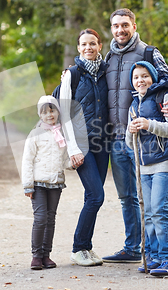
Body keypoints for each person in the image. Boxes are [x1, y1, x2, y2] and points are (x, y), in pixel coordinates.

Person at [102, 8, 168, 263]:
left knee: (149, 201)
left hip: (146, 140)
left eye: (125, 25)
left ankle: (157, 253)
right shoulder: (108, 58)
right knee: (127, 197)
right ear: (111, 28)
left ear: (134, 26)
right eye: (115, 26)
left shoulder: (149, 53)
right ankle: (133, 248)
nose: (120, 30)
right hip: (118, 137)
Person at [125, 61, 168, 275]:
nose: (140, 80)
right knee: (148, 213)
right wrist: (131, 130)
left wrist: (149, 124)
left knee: (159, 210)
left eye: (144, 76)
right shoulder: (133, 105)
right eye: (136, 77)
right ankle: (154, 257)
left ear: (153, 77)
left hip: (165, 162)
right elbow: (130, 144)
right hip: (145, 166)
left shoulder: (165, 97)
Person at [59, 28, 109, 266]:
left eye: (92, 44)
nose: (88, 48)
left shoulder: (106, 71)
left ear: (100, 45)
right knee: (96, 195)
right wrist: (72, 149)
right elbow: (64, 114)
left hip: (102, 142)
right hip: (81, 145)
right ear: (78, 47)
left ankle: (86, 247)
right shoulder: (72, 74)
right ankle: (78, 248)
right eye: (83, 44)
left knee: (94, 197)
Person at [21, 95, 72, 270]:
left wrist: (72, 163)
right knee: (41, 218)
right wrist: (28, 184)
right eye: (45, 112)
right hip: (38, 183)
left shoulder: (62, 134)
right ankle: (36, 256)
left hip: (56, 182)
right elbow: (27, 160)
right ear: (40, 115)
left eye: (52, 110)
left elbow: (64, 158)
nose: (49, 115)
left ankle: (46, 255)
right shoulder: (35, 134)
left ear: (58, 112)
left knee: (50, 219)